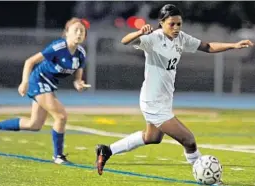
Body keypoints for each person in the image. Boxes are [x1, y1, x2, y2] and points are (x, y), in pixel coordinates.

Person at [95, 4, 254, 175]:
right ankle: (202, 173)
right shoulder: (153, 38)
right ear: (161, 23)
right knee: (189, 140)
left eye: (179, 24)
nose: (176, 27)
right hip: (152, 101)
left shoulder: (181, 38)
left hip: (164, 99)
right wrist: (140, 32)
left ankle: (107, 150)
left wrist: (234, 45)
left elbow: (207, 47)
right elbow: (125, 40)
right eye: (172, 24)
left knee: (152, 138)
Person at [0, 17, 91, 164]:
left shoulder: (81, 53)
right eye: (75, 30)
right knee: (61, 116)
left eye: (82, 31)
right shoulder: (58, 47)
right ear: (66, 33)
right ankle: (58, 156)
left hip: (49, 84)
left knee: (34, 125)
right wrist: (24, 82)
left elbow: (78, 76)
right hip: (38, 80)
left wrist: (79, 83)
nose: (79, 33)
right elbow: (30, 61)